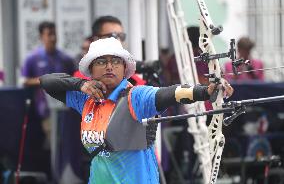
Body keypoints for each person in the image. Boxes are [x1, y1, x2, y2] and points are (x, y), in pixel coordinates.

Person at [39, 37, 234, 184]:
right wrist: (80, 84)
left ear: (124, 68)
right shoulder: (86, 99)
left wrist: (204, 91)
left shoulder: (136, 97)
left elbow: (168, 93)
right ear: (91, 69)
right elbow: (47, 82)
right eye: (101, 61)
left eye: (115, 61)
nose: (109, 66)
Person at [21, 21, 76, 178]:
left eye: (54, 34)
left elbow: (74, 80)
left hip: (65, 110)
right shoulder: (33, 58)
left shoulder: (64, 59)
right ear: (41, 37)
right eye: (49, 34)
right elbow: (24, 81)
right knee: (51, 145)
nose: (52, 38)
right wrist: (45, 81)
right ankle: (53, 177)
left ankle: (62, 176)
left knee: (63, 146)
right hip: (43, 112)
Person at [92, 15, 146, 86]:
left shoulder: (135, 82)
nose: (118, 40)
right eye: (112, 36)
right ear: (96, 39)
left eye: (121, 36)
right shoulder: (81, 83)